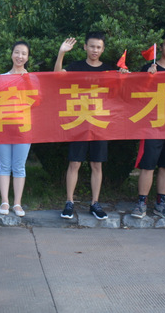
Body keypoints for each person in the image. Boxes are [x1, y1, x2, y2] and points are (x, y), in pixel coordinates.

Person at [54, 32, 115, 220]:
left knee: (97, 164)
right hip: (79, 121)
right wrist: (61, 53)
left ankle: (95, 203)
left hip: (100, 123)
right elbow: (56, 77)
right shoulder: (76, 67)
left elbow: (122, 90)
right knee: (74, 163)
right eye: (92, 46)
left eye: (98, 47)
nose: (95, 50)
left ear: (103, 49)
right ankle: (69, 202)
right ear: (85, 47)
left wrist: (124, 75)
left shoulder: (109, 70)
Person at [131, 31, 165, 220]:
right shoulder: (149, 67)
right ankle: (141, 203)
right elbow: (135, 91)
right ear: (160, 48)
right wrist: (147, 77)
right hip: (151, 124)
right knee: (148, 165)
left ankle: (161, 203)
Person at [0, 40, 33, 217]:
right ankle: (5, 201)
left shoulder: (32, 78)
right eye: (17, 52)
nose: (20, 56)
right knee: (4, 165)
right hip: (3, 126)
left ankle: (17, 203)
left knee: (19, 166)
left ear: (27, 57)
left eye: (24, 53)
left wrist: (28, 81)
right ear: (12, 54)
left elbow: (39, 100)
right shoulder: (2, 77)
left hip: (24, 128)